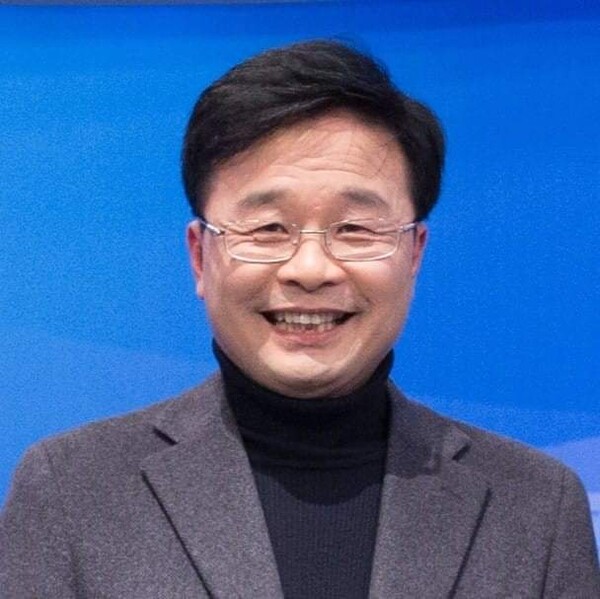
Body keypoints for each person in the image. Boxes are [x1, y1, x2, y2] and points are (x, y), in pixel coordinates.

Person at [1, 39, 598, 598]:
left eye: (355, 228)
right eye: (268, 229)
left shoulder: (537, 507)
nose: (310, 268)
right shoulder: (71, 489)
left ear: (414, 254)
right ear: (200, 256)